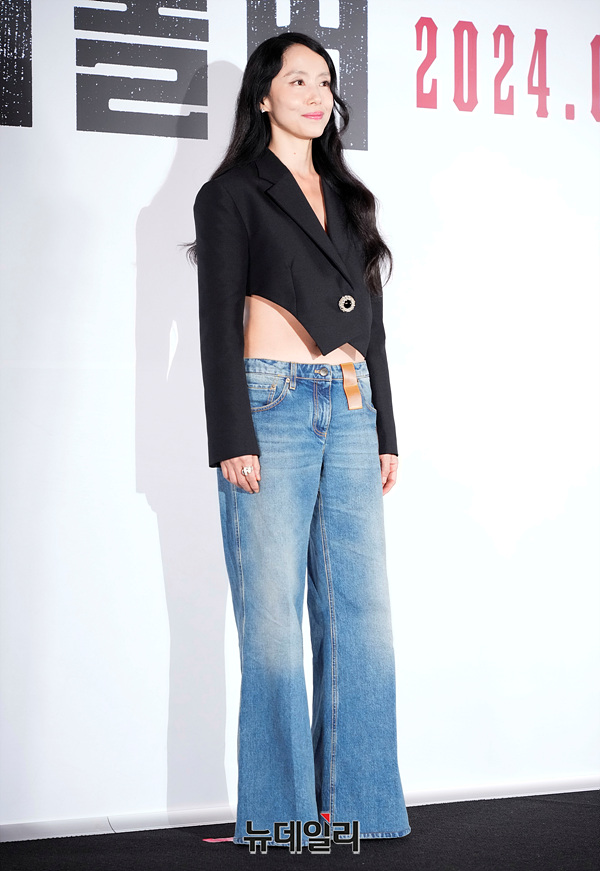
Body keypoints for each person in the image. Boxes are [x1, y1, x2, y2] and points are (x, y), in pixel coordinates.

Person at [192, 32, 411, 847]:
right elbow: (217, 320)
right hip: (272, 403)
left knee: (363, 614)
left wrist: (385, 426)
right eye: (297, 81)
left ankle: (361, 809)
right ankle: (280, 816)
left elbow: (372, 322)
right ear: (263, 95)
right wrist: (231, 434)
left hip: (351, 405)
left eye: (324, 81)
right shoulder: (231, 194)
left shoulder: (350, 195)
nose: (316, 95)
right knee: (274, 621)